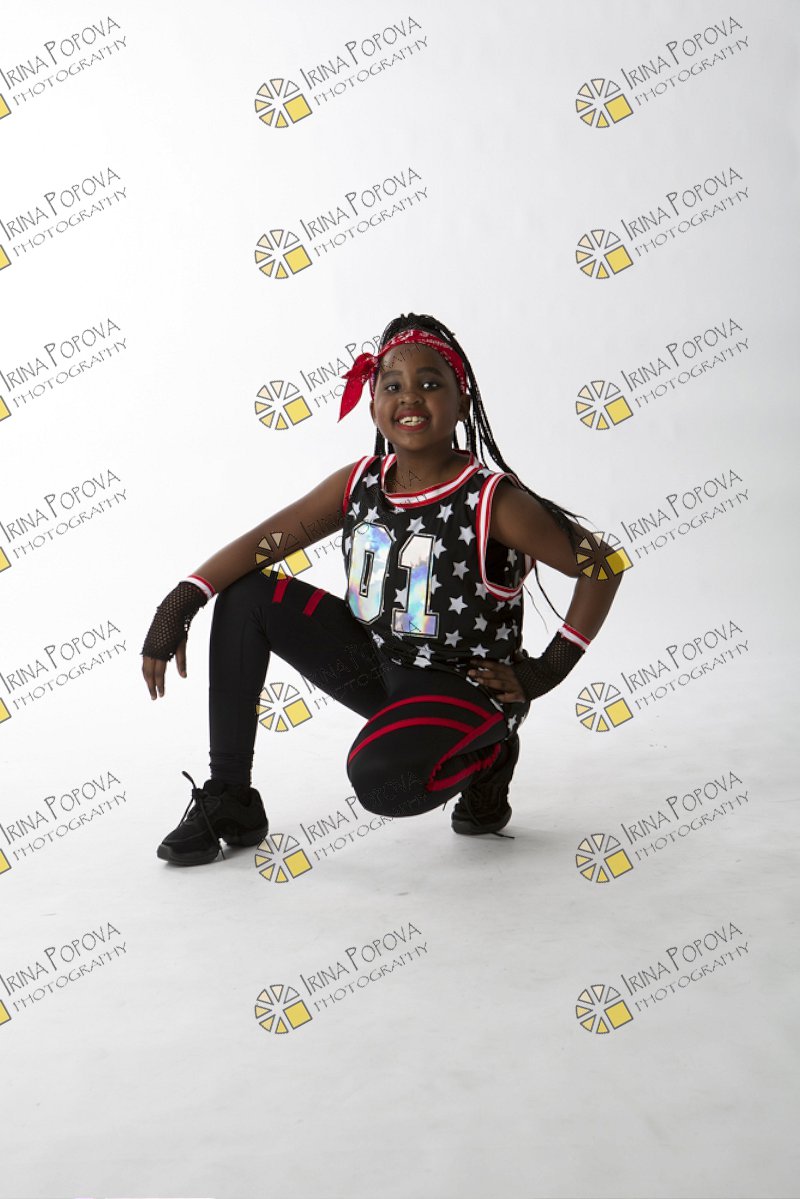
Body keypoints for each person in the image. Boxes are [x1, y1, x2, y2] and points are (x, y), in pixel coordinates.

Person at [141, 313, 624, 865]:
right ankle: (231, 796)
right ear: (373, 406)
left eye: (430, 383)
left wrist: (545, 671)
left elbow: (603, 566)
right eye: (392, 386)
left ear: (462, 403)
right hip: (378, 666)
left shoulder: (493, 499)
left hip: (465, 686)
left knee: (381, 779)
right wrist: (181, 602)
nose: (410, 397)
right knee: (246, 595)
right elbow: (261, 545)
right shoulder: (359, 482)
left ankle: (489, 758)